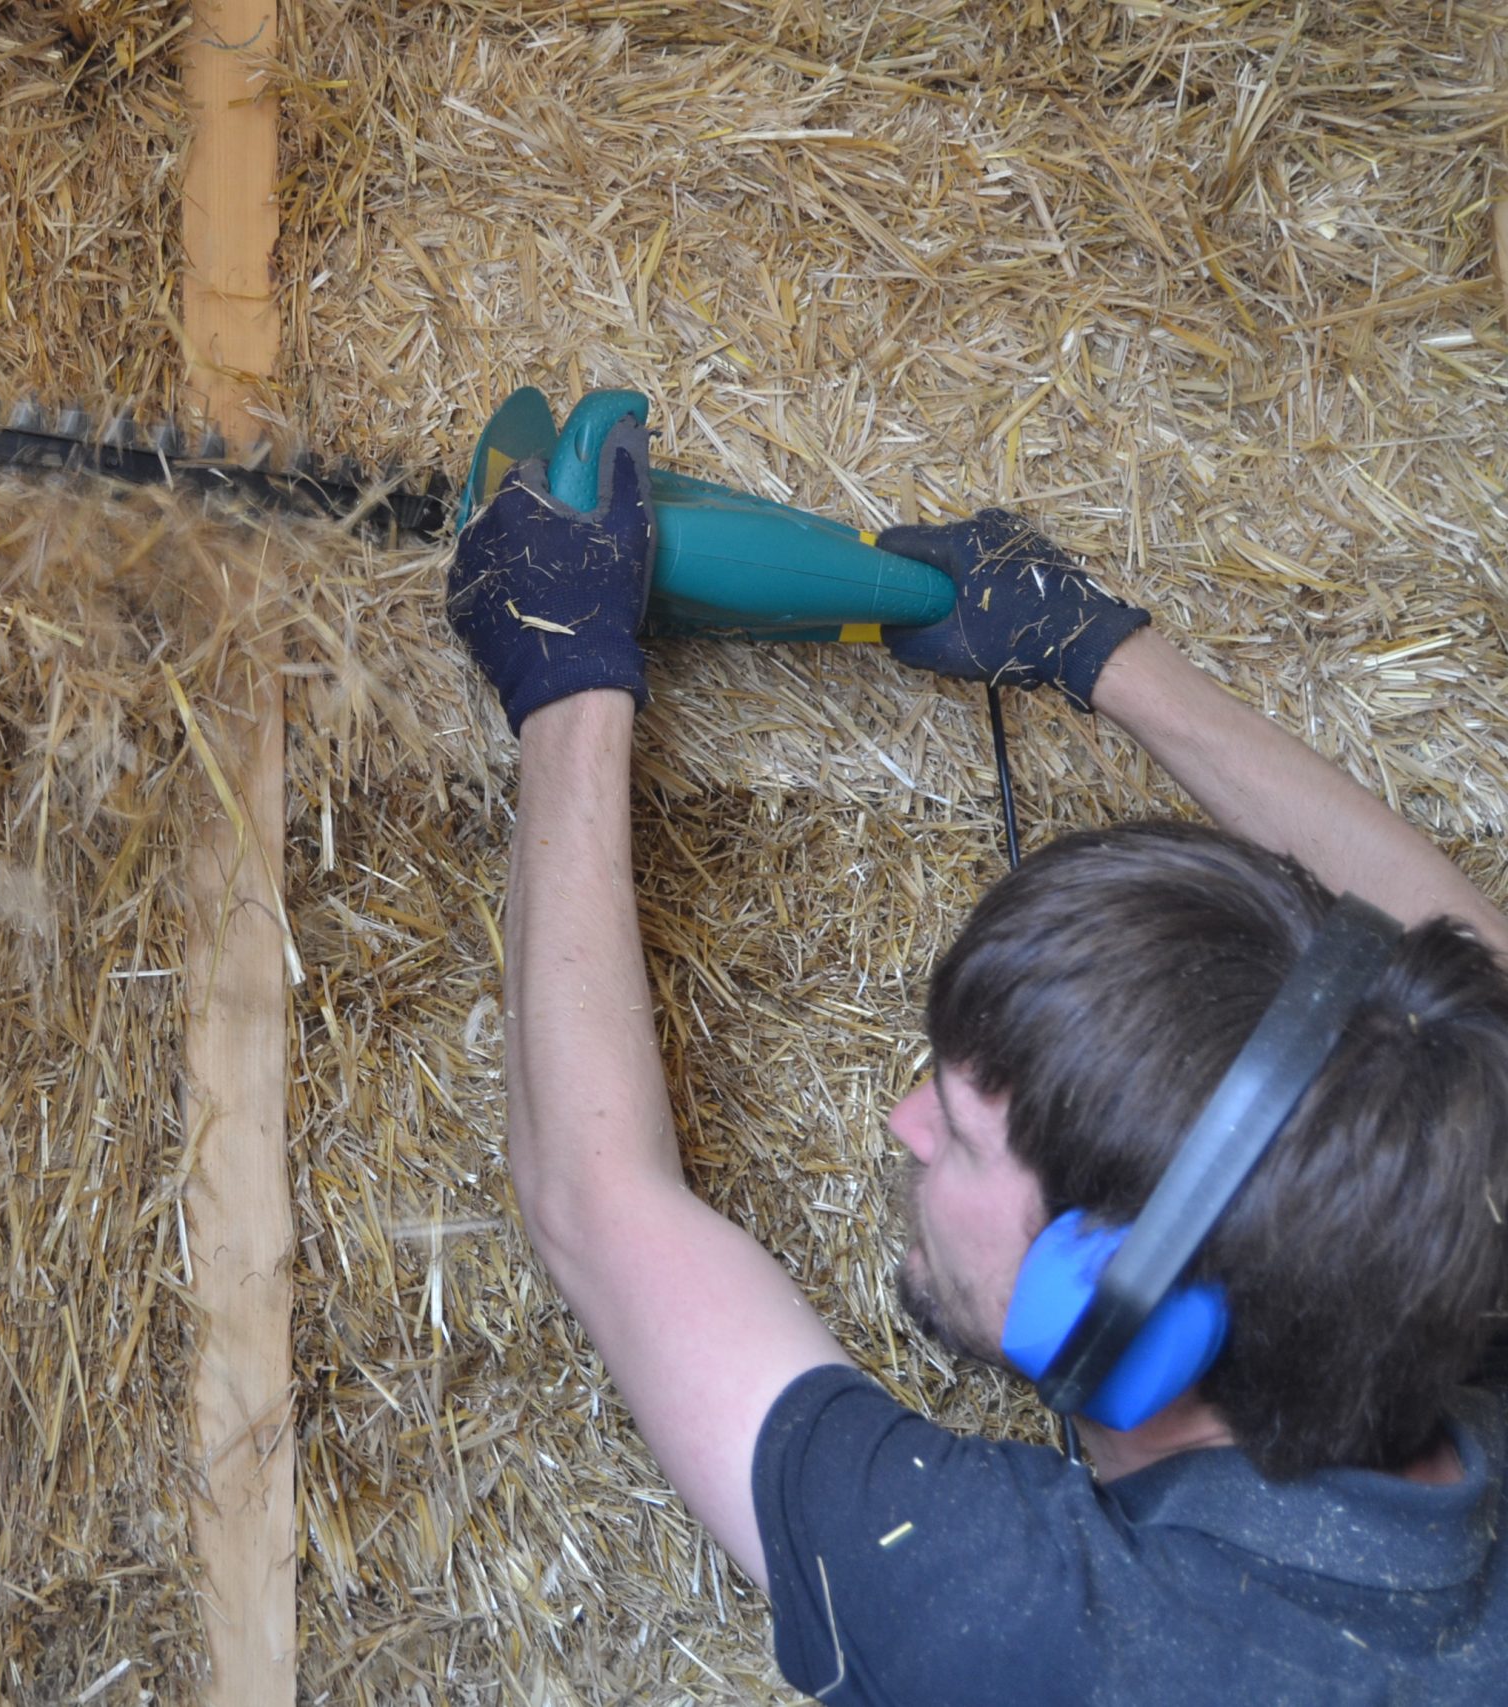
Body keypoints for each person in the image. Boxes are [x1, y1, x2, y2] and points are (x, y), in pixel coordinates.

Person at [446, 405, 1508, 1704]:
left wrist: (565, 683)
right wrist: (1099, 651)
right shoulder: (1426, 1282)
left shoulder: (1069, 1644)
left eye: (957, 1130)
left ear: (1113, 1305)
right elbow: (1466, 994)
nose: (904, 1122)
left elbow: (597, 1203)